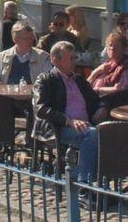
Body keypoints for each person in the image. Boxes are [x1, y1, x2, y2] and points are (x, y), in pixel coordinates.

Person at [32, 40, 101, 183]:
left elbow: (96, 99)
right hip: (59, 128)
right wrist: (68, 121)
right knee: (92, 135)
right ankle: (84, 183)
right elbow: (41, 109)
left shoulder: (79, 80)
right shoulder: (46, 80)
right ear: (55, 60)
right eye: (70, 58)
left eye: (75, 57)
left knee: (109, 133)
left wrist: (103, 107)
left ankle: (103, 180)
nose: (74, 61)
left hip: (86, 125)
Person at [86, 32, 128, 113]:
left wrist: (98, 89)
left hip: (109, 104)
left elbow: (123, 90)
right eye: (110, 45)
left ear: (123, 49)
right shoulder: (104, 65)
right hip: (92, 99)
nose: (112, 48)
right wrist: (96, 72)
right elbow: (85, 86)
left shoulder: (127, 67)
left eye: (116, 46)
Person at [0, 21, 51, 88]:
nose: (30, 41)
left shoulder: (43, 57)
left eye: (31, 38)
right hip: (8, 94)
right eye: (26, 39)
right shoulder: (3, 56)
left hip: (34, 94)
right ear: (15, 39)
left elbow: (49, 81)